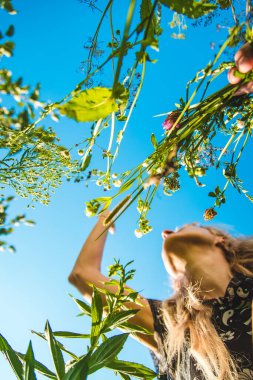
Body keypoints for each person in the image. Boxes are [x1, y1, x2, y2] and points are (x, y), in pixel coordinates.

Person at [69, 44, 253, 380]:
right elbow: (84, 276)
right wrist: (106, 216)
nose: (165, 232)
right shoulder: (168, 324)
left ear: (218, 239)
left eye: (184, 224)